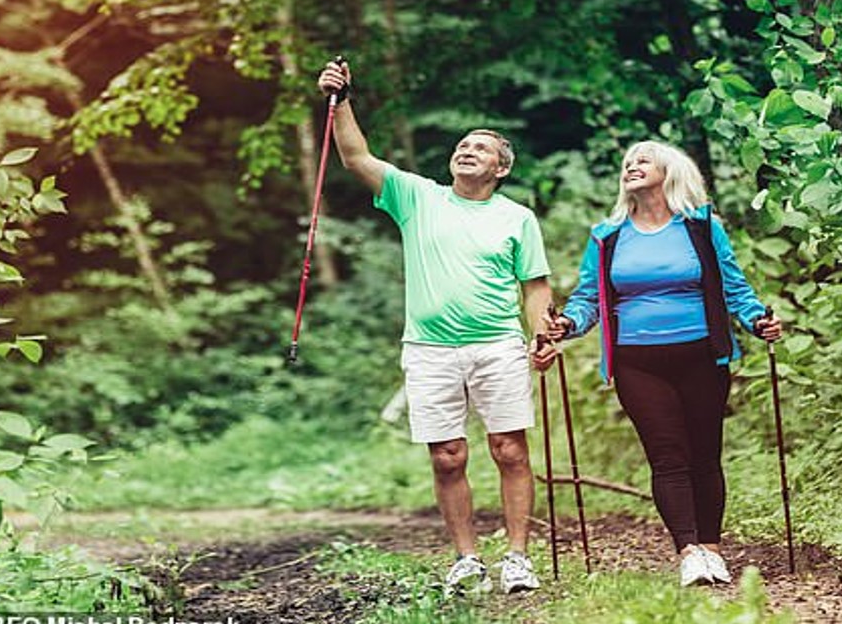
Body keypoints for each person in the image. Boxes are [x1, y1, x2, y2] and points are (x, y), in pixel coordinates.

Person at [317, 59, 552, 594]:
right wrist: (342, 99)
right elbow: (355, 156)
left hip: (497, 345)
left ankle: (517, 558)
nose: (466, 150)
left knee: (509, 449)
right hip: (429, 349)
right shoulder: (417, 196)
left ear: (501, 169)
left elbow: (535, 286)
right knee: (448, 457)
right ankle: (467, 559)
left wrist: (542, 334)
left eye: (481, 148)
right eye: (462, 145)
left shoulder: (516, 217)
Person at [533, 140, 782, 586]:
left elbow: (734, 287)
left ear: (670, 170)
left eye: (643, 160)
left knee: (705, 454)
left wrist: (758, 319)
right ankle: (688, 552)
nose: (632, 167)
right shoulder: (607, 236)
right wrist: (567, 324)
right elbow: (590, 298)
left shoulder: (701, 226)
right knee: (667, 455)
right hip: (637, 362)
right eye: (628, 163)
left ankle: (712, 550)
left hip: (703, 354)